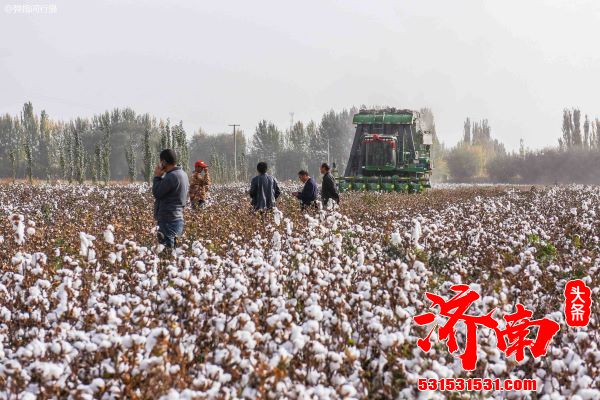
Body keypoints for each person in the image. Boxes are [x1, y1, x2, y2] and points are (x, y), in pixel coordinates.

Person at [152, 149, 189, 248]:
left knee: (166, 253)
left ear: (163, 162)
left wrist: (157, 176)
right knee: (174, 252)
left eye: (161, 162)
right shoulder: (183, 174)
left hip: (168, 220)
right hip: (177, 219)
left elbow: (157, 193)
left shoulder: (171, 176)